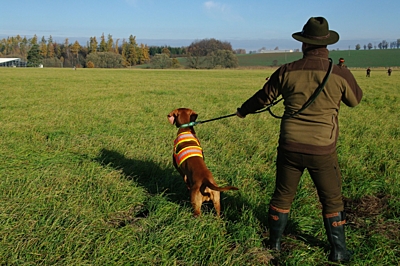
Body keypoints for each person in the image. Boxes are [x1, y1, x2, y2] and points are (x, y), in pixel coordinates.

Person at [236, 17, 363, 263]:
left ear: (304, 44)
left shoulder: (287, 70)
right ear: (327, 45)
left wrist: (242, 110)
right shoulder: (338, 74)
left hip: (290, 146)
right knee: (332, 199)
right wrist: (345, 72)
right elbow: (355, 100)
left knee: (282, 195)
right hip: (322, 150)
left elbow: (263, 98)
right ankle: (338, 252)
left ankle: (274, 245)